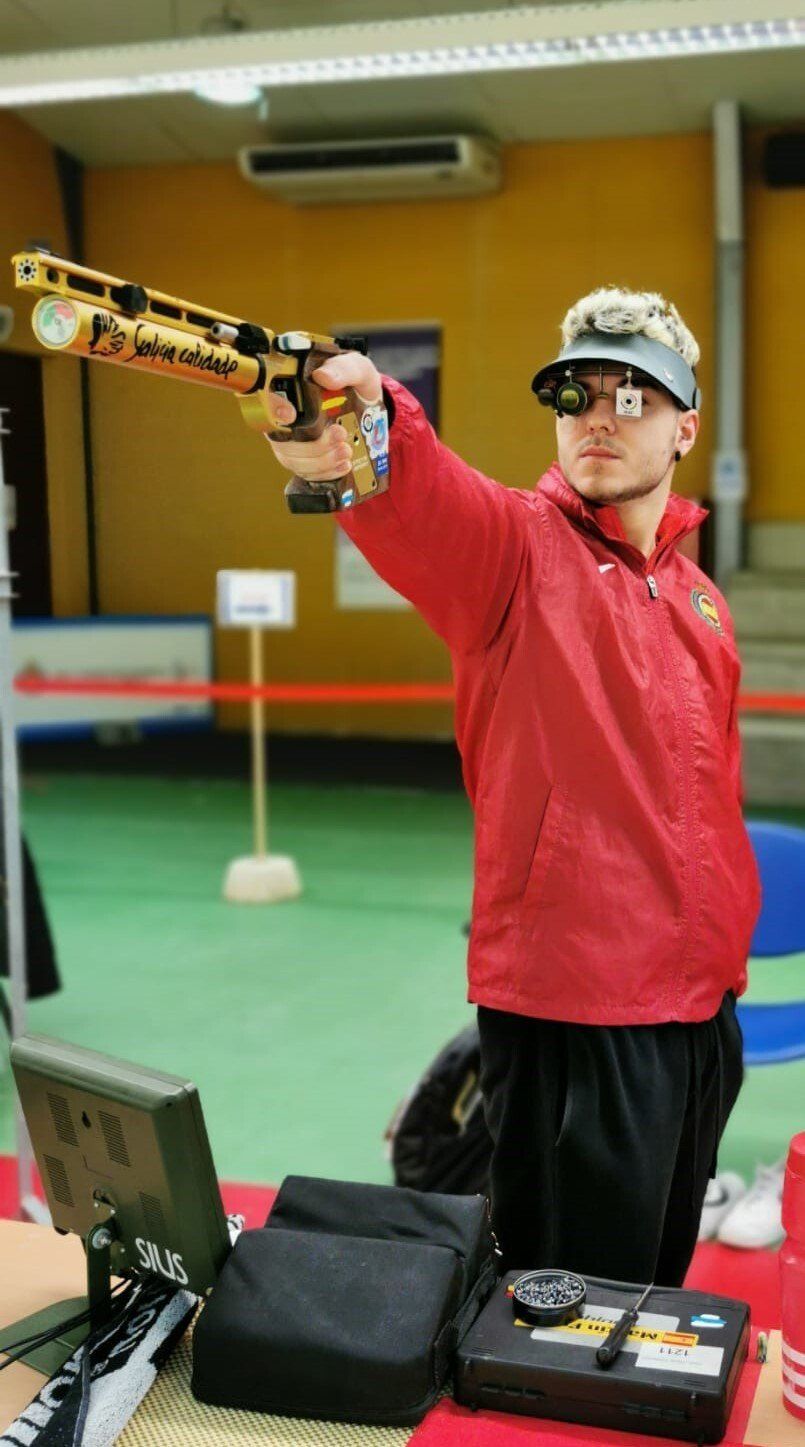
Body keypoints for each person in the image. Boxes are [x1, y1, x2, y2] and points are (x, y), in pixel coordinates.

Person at [266, 287, 761, 1288]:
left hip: (700, 1013)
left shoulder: (701, 602)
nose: (598, 417)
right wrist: (359, 418)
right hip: (574, 1009)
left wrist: (721, 977)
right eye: (575, 394)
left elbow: (715, 800)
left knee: (652, 1286)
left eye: (633, 395)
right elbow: (419, 497)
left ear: (684, 428)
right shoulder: (515, 552)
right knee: (563, 1308)